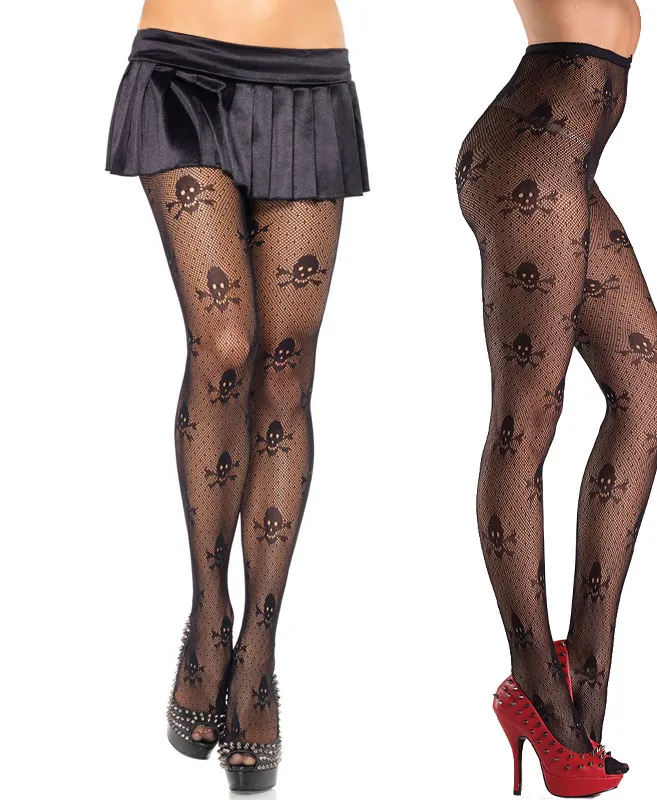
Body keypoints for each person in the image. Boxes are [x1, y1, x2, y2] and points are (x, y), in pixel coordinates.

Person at [106, 0, 368, 791]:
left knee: (285, 370)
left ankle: (259, 647)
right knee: (225, 346)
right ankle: (209, 612)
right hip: (183, 66)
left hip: (308, 75)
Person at [456, 1, 657, 795]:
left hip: (563, 162)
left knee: (651, 393)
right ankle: (536, 687)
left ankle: (584, 676)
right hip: (531, 158)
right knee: (527, 417)